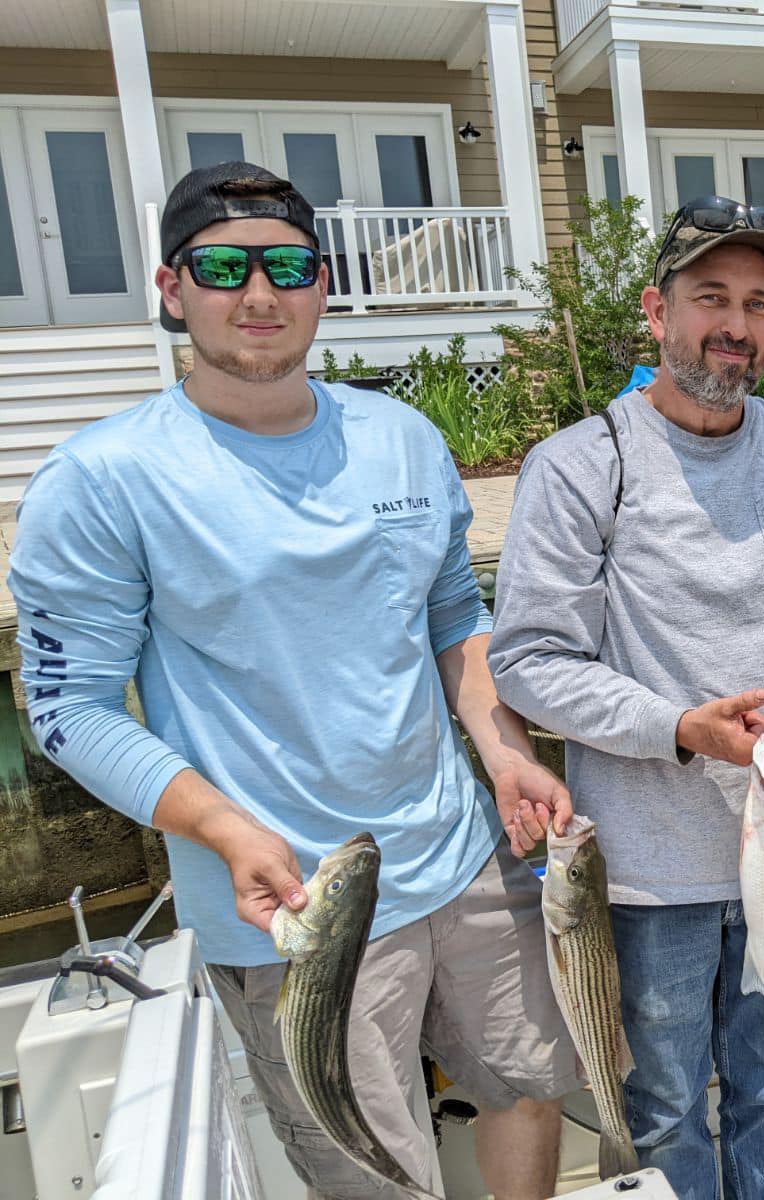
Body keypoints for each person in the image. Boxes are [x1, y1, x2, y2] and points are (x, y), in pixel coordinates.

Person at [7, 162, 579, 1200]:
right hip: (288, 908)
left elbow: (455, 617)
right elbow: (66, 712)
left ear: (324, 284)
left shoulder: (401, 438)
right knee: (373, 1170)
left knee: (526, 1086)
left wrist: (504, 753)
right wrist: (225, 830)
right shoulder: (100, 480)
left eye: (288, 266)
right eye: (223, 267)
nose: (259, 294)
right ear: (171, 288)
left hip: (462, 859)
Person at [487, 194, 764, 1200]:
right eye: (709, 297)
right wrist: (675, 729)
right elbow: (529, 661)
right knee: (667, 1109)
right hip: (650, 877)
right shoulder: (580, 464)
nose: (735, 324)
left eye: (759, 304)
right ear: (656, 310)